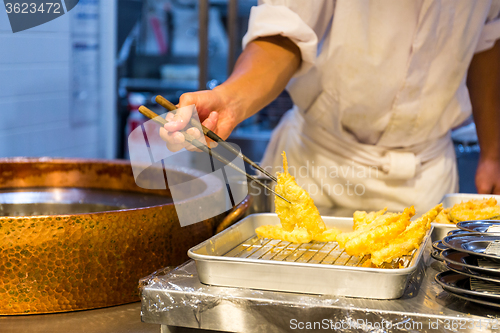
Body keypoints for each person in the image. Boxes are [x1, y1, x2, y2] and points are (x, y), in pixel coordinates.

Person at [160, 0, 500, 213]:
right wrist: (231, 99)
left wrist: (492, 154)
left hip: (426, 179)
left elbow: (488, 41)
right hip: (318, 169)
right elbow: (285, 28)